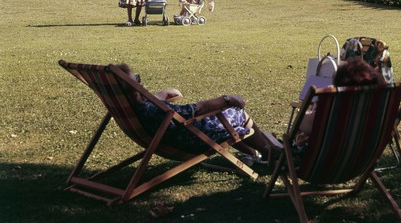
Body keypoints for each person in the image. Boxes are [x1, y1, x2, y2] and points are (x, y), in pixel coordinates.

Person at [117, 64, 272, 163]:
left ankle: (252, 152)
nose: (141, 83)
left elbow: (151, 106)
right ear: (133, 89)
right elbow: (192, 110)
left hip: (170, 137)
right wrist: (226, 99)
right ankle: (269, 154)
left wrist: (159, 96)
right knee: (236, 113)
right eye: (136, 80)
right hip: (191, 140)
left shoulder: (131, 106)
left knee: (227, 122)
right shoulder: (151, 110)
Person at [294, 58, 384, 149]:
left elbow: (301, 122)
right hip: (362, 158)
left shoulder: (335, 112)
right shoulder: (377, 112)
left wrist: (312, 109)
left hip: (328, 159)